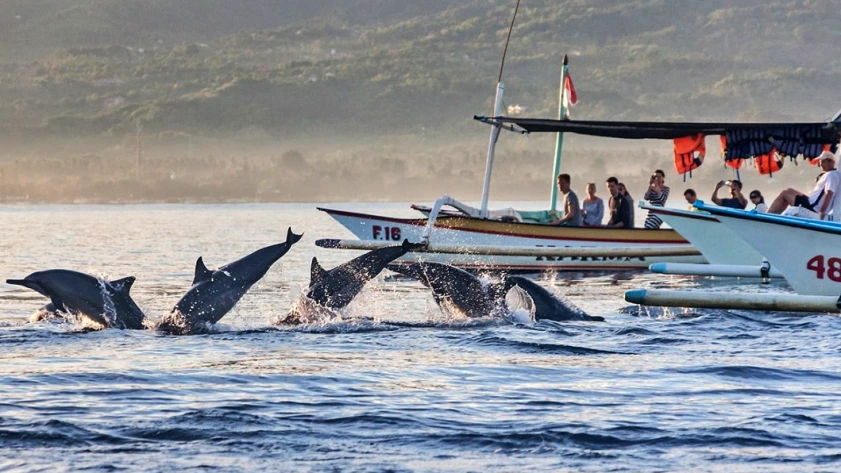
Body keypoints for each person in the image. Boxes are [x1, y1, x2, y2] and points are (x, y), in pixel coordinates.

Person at [767, 151, 839, 219]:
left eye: (822, 161)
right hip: (811, 203)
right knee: (788, 192)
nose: (820, 164)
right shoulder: (832, 174)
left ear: (831, 162)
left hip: (812, 207)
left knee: (785, 193)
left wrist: (822, 211)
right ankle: (773, 216)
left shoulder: (831, 175)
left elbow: (829, 192)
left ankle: (767, 216)